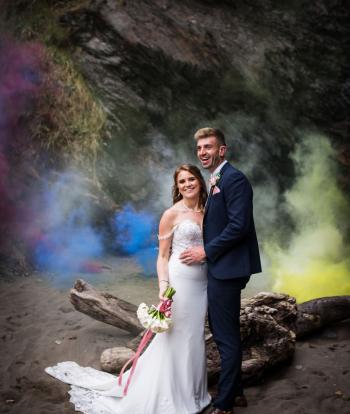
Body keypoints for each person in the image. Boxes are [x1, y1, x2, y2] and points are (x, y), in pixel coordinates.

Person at [45, 164, 211, 414]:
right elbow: (163, 257)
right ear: (177, 187)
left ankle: (194, 393)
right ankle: (169, 396)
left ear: (199, 181)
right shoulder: (171, 215)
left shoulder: (208, 212)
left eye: (191, 179)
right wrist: (163, 286)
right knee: (175, 336)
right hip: (179, 283)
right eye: (181, 181)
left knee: (194, 335)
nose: (187, 184)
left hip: (202, 283)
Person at [180, 128, 262, 414]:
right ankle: (237, 392)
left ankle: (224, 404)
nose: (202, 152)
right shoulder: (216, 180)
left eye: (208, 147)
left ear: (222, 151)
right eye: (199, 148)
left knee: (225, 337)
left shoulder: (235, 179)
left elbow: (239, 226)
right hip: (221, 267)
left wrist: (206, 251)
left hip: (227, 269)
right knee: (220, 330)